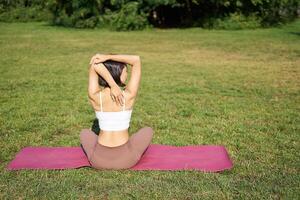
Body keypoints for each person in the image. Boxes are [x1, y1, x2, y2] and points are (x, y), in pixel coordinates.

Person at [80, 54, 154, 170]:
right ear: (118, 72)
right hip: (125, 160)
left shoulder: (95, 96)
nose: (127, 74)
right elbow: (136, 60)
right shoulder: (128, 95)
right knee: (148, 130)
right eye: (125, 71)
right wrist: (106, 56)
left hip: (98, 160)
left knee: (85, 132)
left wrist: (112, 84)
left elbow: (95, 64)